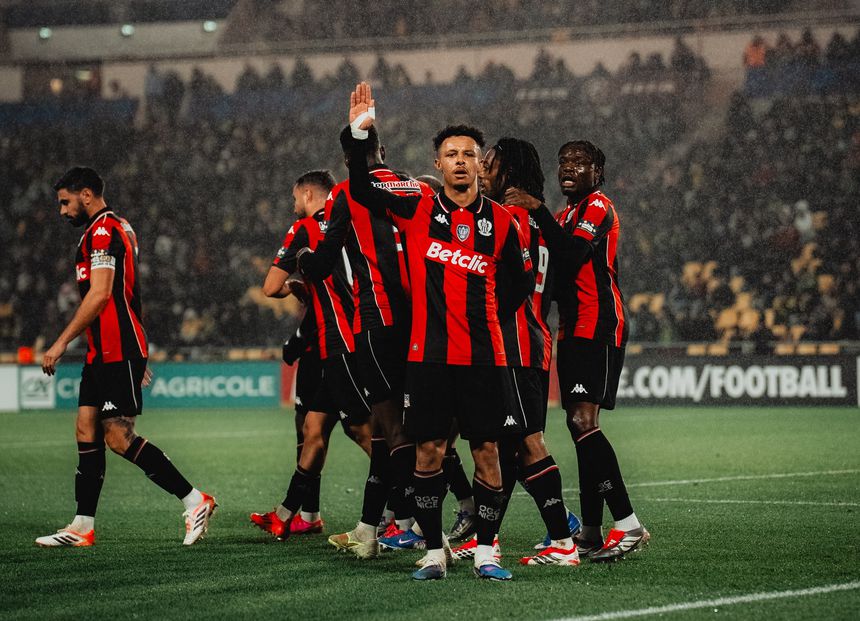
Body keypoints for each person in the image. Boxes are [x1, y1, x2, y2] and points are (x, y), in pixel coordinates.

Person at [345, 82, 534, 581]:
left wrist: (485, 317)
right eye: (450, 154)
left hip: (483, 356)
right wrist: (361, 135)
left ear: (479, 164)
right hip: (427, 357)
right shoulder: (418, 203)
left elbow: (518, 284)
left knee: (487, 451)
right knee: (428, 451)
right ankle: (434, 551)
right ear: (438, 161)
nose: (459, 162)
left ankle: (488, 550)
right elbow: (364, 187)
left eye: (468, 154)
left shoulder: (502, 221)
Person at [37, 167, 216, 547]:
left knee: (118, 437)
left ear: (87, 195)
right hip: (105, 350)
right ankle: (82, 526)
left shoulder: (104, 230)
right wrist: (142, 347)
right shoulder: (112, 229)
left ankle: (194, 500)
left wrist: (60, 342)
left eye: (65, 202)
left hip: (116, 350)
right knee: (86, 427)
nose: (62, 211)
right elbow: (130, 295)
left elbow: (102, 294)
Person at [505, 141, 649, 562]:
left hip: (598, 323)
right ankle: (589, 531)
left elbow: (570, 256)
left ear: (598, 172)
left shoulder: (598, 207)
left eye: (580, 163)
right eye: (564, 161)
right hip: (571, 329)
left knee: (584, 421)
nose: (570, 168)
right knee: (576, 424)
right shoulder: (567, 215)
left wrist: (536, 209)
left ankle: (628, 524)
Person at [297, 127, 433, 557]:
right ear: (385, 151)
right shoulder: (415, 186)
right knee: (407, 429)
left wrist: (303, 260)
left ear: (346, 157)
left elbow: (320, 265)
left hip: (376, 321)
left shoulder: (345, 193)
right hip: (423, 322)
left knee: (390, 430)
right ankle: (370, 528)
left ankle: (413, 524)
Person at [449, 137, 580, 567]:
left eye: (490, 162)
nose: (482, 168)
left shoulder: (510, 217)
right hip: (527, 339)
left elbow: (511, 284)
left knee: (527, 443)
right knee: (508, 447)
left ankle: (562, 539)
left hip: (516, 343)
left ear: (509, 169)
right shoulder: (538, 218)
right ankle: (493, 537)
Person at [250, 170, 372, 541]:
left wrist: (292, 285)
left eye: (294, 199)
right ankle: (287, 514)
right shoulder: (355, 221)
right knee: (314, 429)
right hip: (362, 334)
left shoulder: (306, 228)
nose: (293, 206)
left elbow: (270, 287)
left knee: (366, 433)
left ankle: (411, 511)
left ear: (306, 194)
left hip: (341, 342)